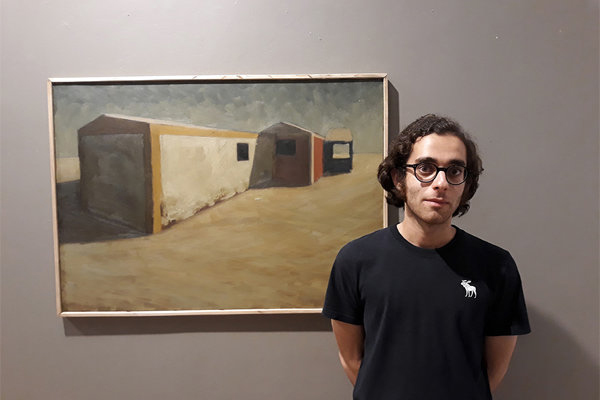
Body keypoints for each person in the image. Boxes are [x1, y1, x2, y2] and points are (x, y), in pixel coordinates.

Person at [322, 114, 530, 399]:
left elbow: (494, 369)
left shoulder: (496, 266)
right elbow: (351, 359)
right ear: (398, 178)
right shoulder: (355, 260)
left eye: (454, 171)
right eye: (425, 168)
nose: (440, 182)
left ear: (466, 184)